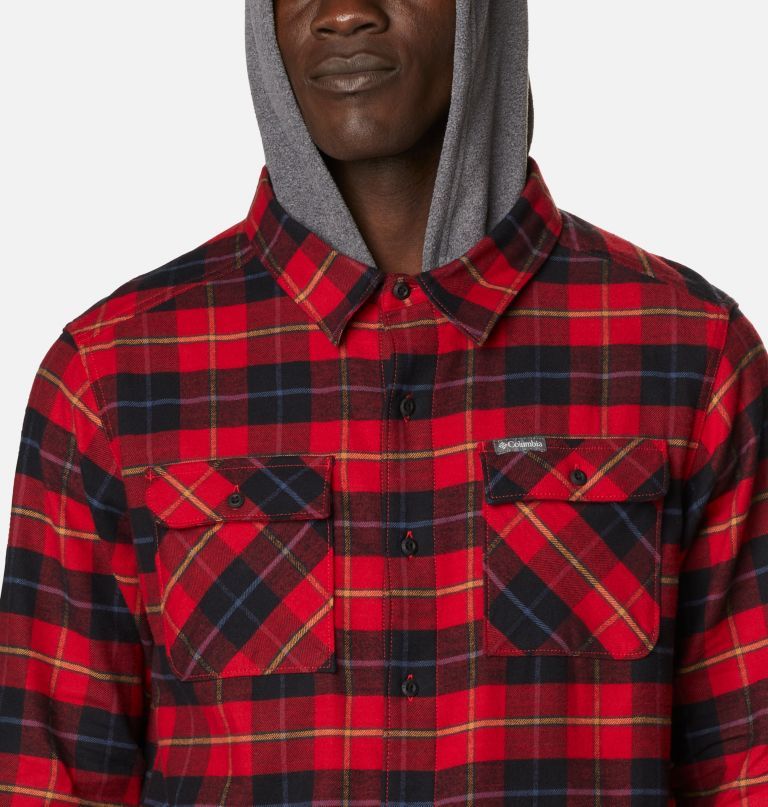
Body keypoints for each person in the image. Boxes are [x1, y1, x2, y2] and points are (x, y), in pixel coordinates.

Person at [1, 1, 766, 804]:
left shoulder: (691, 354)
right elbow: (53, 778)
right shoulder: (112, 375)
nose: (343, 14)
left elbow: (748, 763)